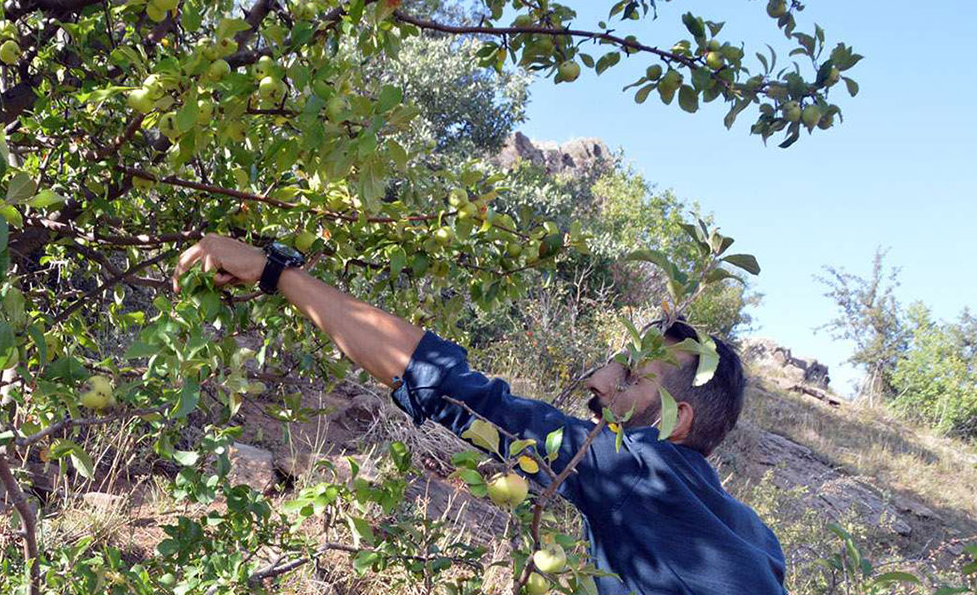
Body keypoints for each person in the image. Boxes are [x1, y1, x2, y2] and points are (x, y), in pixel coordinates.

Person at [174, 233, 787, 595]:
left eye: (628, 376)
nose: (596, 379)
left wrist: (276, 273)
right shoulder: (755, 535)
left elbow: (450, 387)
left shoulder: (639, 472)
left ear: (675, 421)